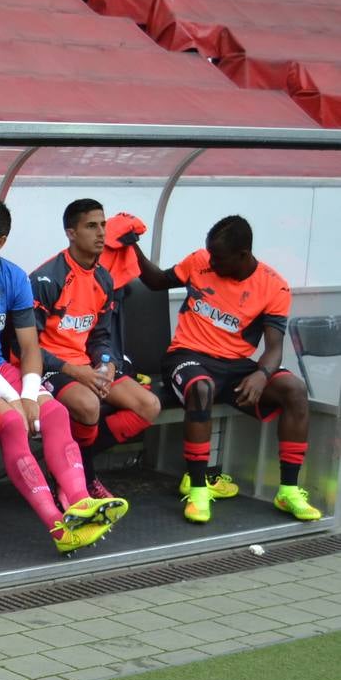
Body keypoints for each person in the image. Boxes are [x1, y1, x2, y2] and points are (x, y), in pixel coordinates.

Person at [0, 198, 126, 556]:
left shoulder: (14, 276)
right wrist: (14, 400)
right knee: (13, 421)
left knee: (57, 412)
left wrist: (30, 392)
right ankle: (56, 525)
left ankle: (79, 504)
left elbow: (30, 346)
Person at [130, 214, 319, 523]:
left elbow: (273, 349)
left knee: (295, 390)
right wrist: (133, 246)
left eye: (219, 258)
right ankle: (199, 490)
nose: (212, 262)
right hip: (186, 356)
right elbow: (156, 281)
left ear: (243, 255)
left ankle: (288, 491)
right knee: (201, 387)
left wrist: (261, 375)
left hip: (234, 366)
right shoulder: (200, 261)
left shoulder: (274, 287)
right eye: (211, 255)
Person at [29, 199, 160, 499]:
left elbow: (101, 335)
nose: (101, 233)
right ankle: (83, 477)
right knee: (89, 405)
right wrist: (77, 372)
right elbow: (25, 347)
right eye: (91, 226)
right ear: (71, 233)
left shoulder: (104, 278)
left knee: (148, 405)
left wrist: (106, 364)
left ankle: (67, 460)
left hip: (85, 366)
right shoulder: (46, 279)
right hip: (49, 367)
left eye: (103, 225)